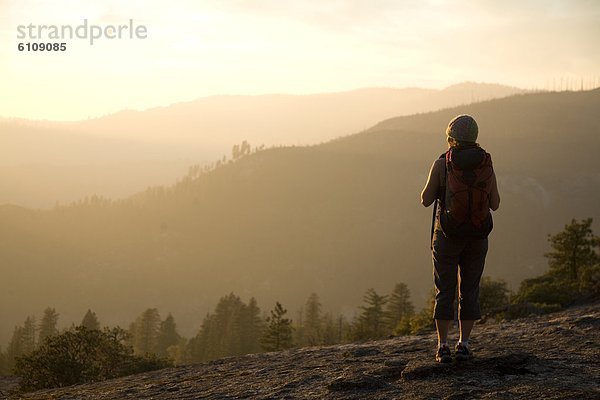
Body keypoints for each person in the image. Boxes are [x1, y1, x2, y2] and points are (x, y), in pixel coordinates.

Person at [420, 114, 500, 363]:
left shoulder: (442, 163)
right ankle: (464, 344)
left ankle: (442, 346)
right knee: (470, 289)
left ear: (451, 138)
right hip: (477, 236)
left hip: (446, 234)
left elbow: (425, 200)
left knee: (445, 289)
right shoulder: (485, 163)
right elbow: (495, 204)